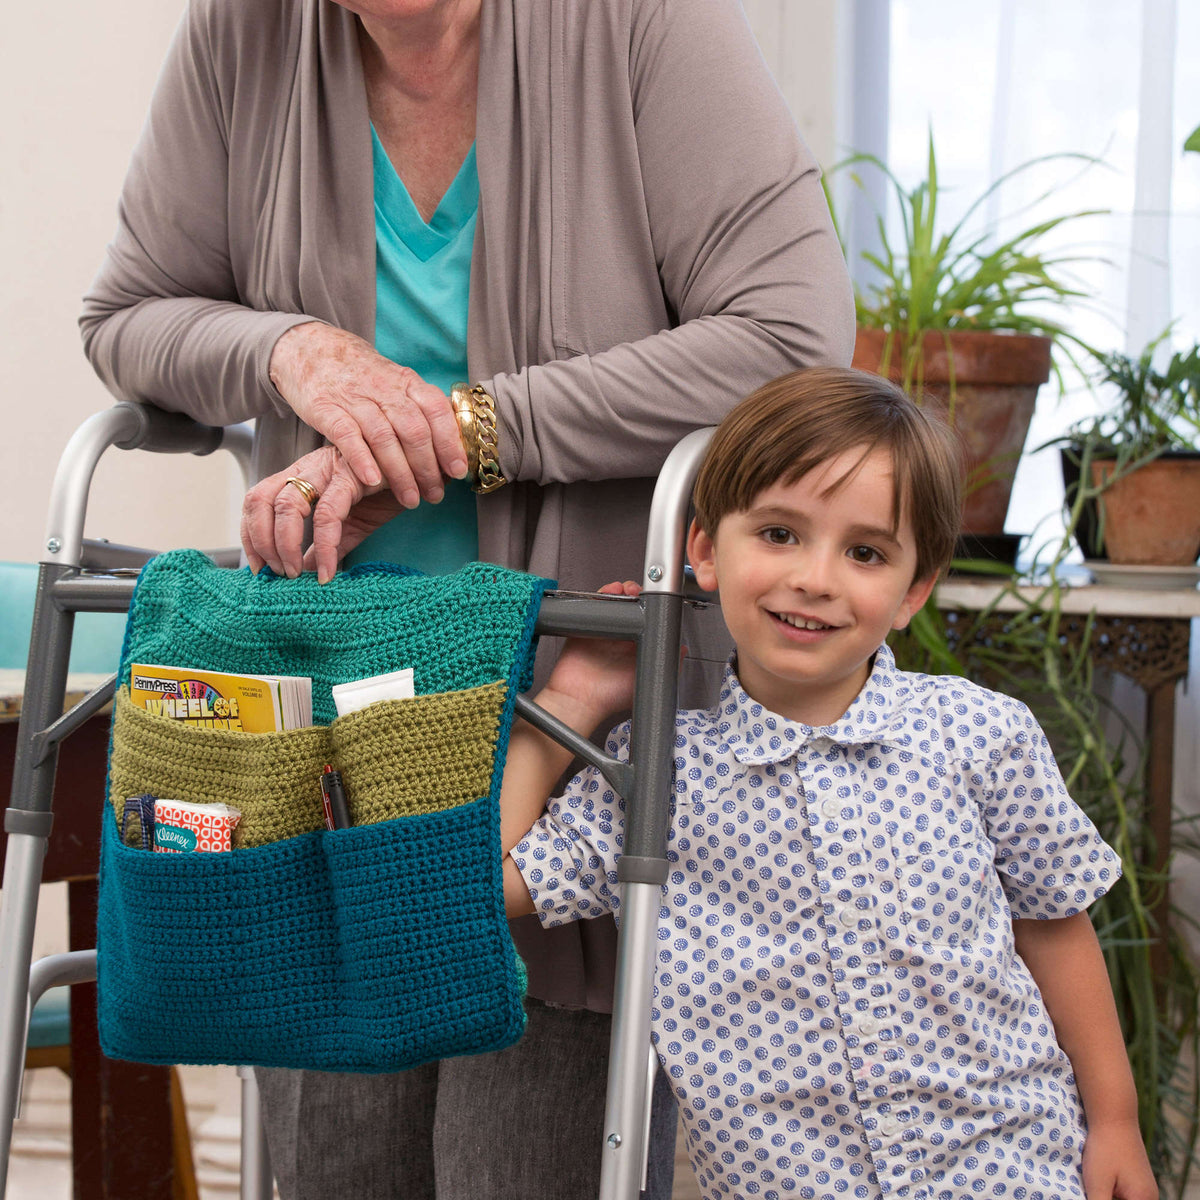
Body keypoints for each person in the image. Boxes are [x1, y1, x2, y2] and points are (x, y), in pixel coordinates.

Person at [79, 1, 855, 1194]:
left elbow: (794, 338)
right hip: (326, 724)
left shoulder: (647, 24)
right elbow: (129, 316)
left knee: (526, 1160)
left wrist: (467, 431)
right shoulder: (242, 30)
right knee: (331, 1162)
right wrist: (289, 350)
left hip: (573, 698)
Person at [498, 367, 1159, 1200]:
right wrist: (571, 702)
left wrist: (1118, 1122)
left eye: (864, 552)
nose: (815, 577)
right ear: (703, 550)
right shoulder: (654, 773)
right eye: (778, 533)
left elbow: (1056, 926)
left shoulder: (980, 734)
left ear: (914, 589)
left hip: (1008, 1162)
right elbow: (489, 881)